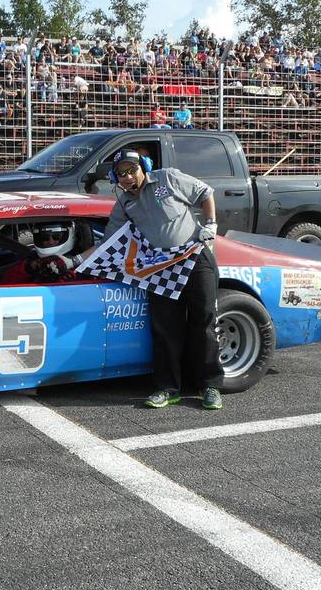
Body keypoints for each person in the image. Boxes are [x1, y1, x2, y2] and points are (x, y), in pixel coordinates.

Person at [77, 150, 223, 410]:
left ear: (143, 167)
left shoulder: (168, 178)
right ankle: (167, 389)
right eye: (121, 173)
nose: (127, 176)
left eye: (131, 170)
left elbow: (205, 192)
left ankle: (210, 386)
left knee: (204, 323)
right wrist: (74, 261)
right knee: (166, 329)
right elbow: (108, 241)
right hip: (161, 269)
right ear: (115, 178)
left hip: (194, 257)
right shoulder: (124, 203)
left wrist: (210, 225)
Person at [0, 221, 81, 284]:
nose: (51, 241)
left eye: (56, 236)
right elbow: (6, 283)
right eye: (45, 237)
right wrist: (30, 268)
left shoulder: (81, 263)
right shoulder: (31, 261)